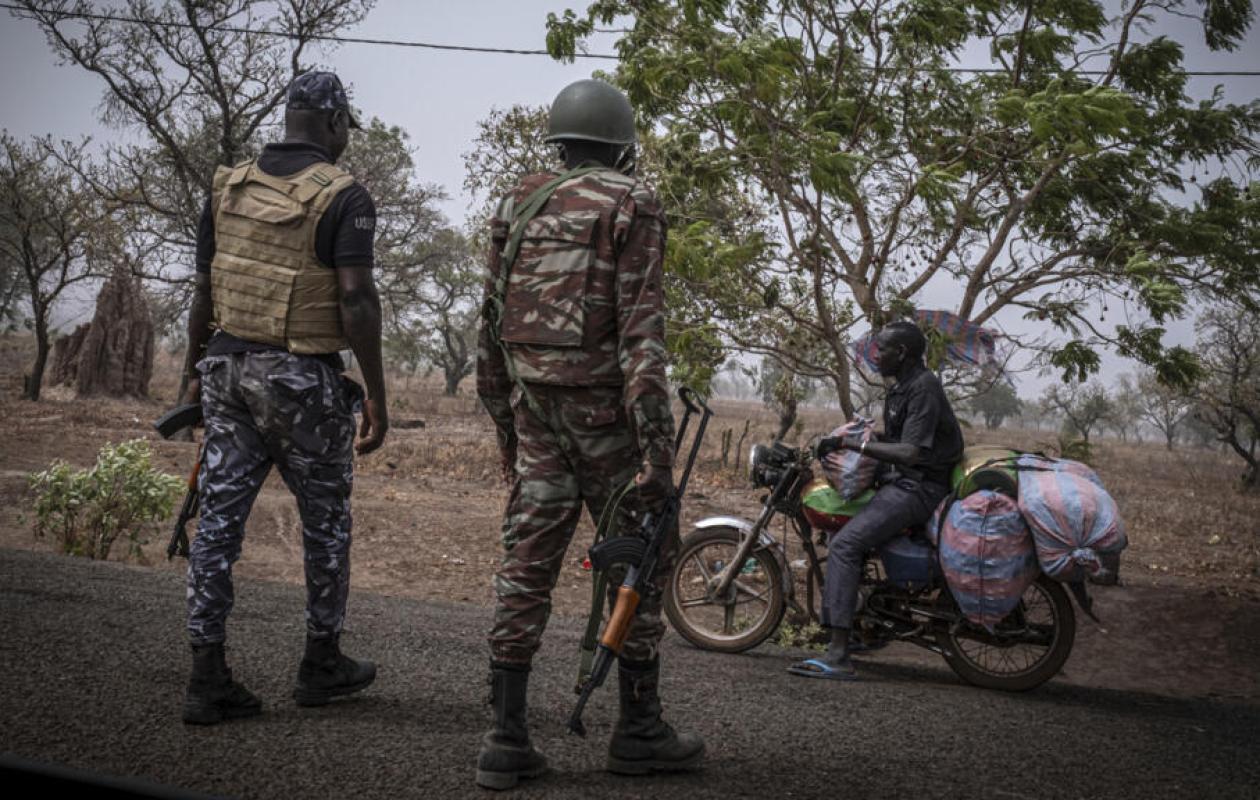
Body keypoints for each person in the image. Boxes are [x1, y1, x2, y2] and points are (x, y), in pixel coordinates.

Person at [473, 78, 703, 790]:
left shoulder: (518, 200)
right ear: (622, 146)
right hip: (608, 425)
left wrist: (506, 428)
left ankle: (505, 739)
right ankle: (637, 730)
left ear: (560, 142)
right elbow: (642, 338)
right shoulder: (633, 202)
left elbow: (488, 324)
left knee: (526, 567)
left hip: (536, 417)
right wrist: (657, 455)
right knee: (639, 562)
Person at [178, 71, 389, 725]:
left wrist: (191, 373)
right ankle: (321, 662)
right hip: (301, 381)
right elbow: (356, 299)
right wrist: (377, 395)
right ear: (334, 123)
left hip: (226, 370)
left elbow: (204, 293)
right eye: (347, 126)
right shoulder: (345, 197)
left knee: (218, 523)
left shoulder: (228, 187)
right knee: (325, 523)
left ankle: (207, 674)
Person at [789, 320, 963, 680]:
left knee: (845, 545)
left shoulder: (924, 388)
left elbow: (910, 451)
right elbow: (898, 437)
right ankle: (861, 626)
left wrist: (852, 444)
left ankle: (838, 656)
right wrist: (850, 435)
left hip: (918, 487)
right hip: (902, 480)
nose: (876, 355)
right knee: (845, 535)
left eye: (882, 349)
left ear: (902, 353)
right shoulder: (902, 387)